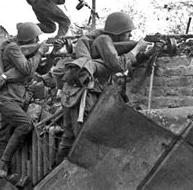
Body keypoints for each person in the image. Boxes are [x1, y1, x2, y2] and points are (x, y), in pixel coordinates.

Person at [56, 12, 159, 163]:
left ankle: (56, 172)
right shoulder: (104, 40)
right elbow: (118, 64)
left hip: (75, 93)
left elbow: (124, 62)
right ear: (118, 33)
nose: (130, 37)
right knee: (83, 137)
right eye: (127, 34)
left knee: (70, 137)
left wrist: (148, 52)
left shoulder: (103, 41)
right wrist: (137, 49)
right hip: (83, 95)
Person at [0, 22, 56, 178]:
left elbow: (41, 69)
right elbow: (27, 69)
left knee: (6, 134)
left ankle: (3, 173)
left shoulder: (25, 52)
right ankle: (3, 163)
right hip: (8, 97)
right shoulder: (13, 48)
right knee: (25, 124)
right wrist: (40, 51)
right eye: (36, 37)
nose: (38, 39)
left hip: (19, 97)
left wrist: (53, 52)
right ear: (29, 39)